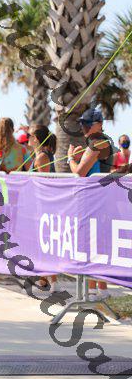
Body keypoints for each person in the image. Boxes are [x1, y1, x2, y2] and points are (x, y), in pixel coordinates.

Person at [68, 106, 115, 299]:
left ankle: (95, 291)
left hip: (95, 200)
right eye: (83, 124)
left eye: (88, 124)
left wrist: (71, 159)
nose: (84, 128)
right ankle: (99, 289)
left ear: (99, 125)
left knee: (93, 244)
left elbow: (79, 173)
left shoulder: (97, 142)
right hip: (101, 199)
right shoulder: (103, 142)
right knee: (98, 244)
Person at [27, 124, 58, 291]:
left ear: (37, 138)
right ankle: (43, 279)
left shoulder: (42, 157)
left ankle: (53, 282)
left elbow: (44, 183)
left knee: (46, 245)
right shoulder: (41, 155)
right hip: (39, 205)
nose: (28, 138)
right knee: (41, 244)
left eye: (30, 135)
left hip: (43, 206)